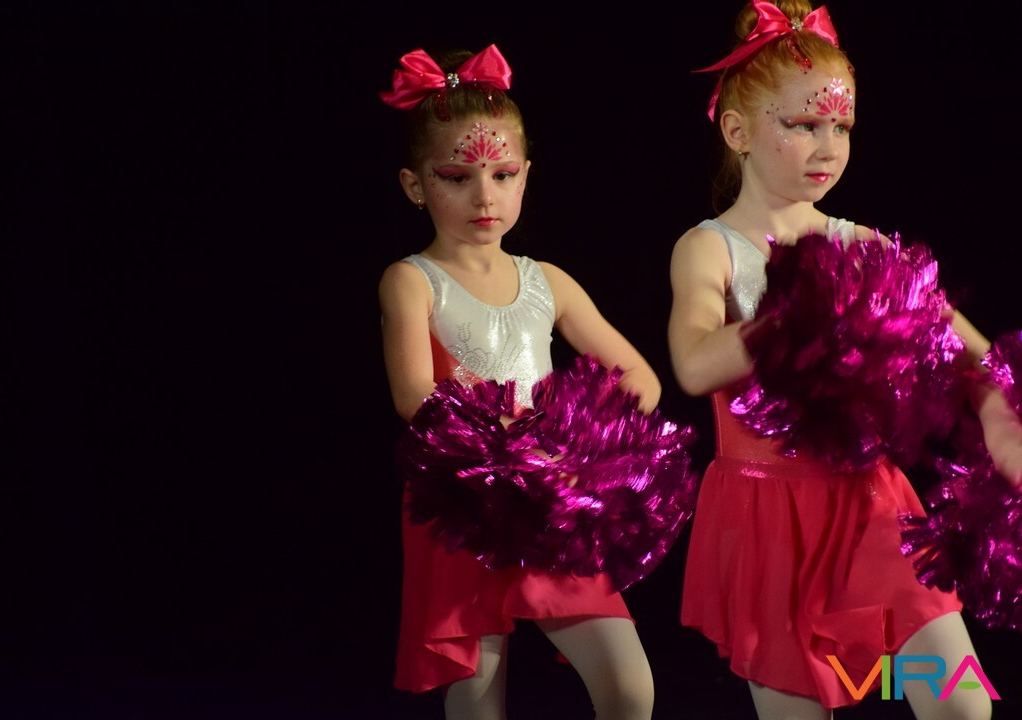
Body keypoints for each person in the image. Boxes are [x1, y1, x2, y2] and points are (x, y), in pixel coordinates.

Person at [667, 2, 1022, 719]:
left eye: (842, 127)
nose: (828, 146)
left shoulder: (864, 245)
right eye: (804, 125)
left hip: (871, 508)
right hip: (766, 522)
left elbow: (973, 355)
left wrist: (999, 417)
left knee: (959, 703)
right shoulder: (709, 248)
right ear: (737, 131)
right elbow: (695, 365)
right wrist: (796, 313)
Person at [377, 44, 660, 719]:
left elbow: (640, 380)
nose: (485, 195)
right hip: (462, 503)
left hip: (549, 497)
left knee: (630, 689)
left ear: (526, 177)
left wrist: (587, 443)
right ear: (415, 185)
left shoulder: (547, 281)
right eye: (457, 176)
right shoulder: (411, 281)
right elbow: (414, 396)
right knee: (478, 701)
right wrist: (502, 438)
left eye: (502, 174)